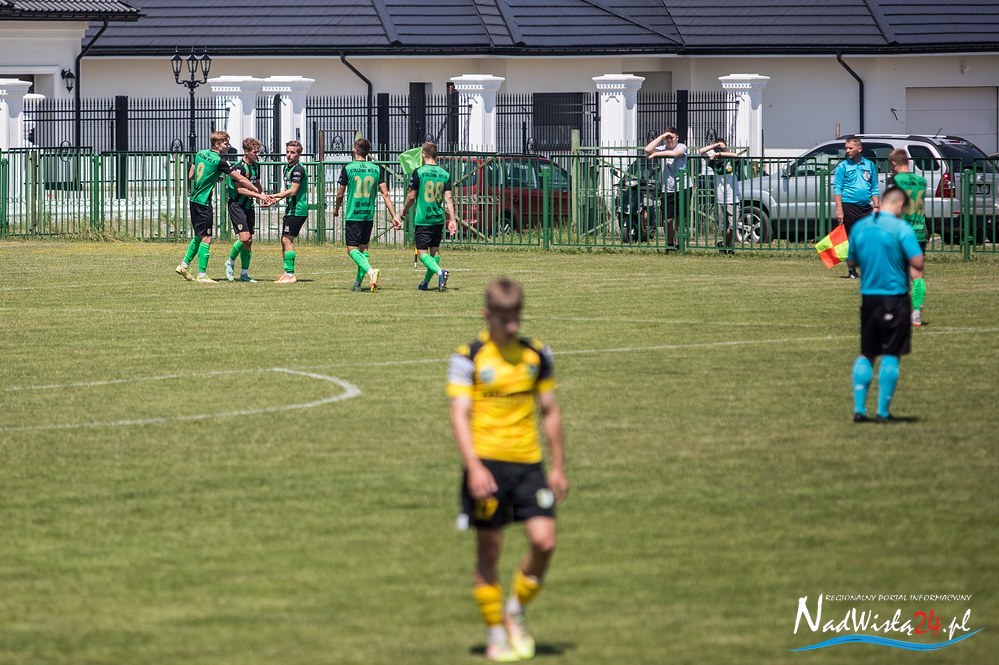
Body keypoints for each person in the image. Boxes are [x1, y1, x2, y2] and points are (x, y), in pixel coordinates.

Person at [448, 278, 568, 662]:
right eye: (504, 319)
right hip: (486, 465)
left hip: (528, 464)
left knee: (545, 542)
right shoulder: (468, 358)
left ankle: (514, 612)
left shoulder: (536, 355)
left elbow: (549, 411)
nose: (512, 326)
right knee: (490, 550)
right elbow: (460, 415)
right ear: (487, 316)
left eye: (516, 317)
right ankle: (494, 634)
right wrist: (473, 467)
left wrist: (558, 466)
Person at [847, 186, 924, 423]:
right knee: (891, 353)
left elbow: (852, 260)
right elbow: (918, 262)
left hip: (869, 298)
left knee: (867, 353)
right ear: (899, 204)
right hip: (894, 297)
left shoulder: (860, 226)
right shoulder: (901, 228)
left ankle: (859, 410)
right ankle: (882, 412)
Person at [176, 130, 257, 284]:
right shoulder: (220, 161)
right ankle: (202, 274)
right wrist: (258, 192)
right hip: (204, 202)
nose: (228, 146)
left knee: (199, 235)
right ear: (218, 144)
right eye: (226, 143)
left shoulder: (200, 153)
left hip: (194, 199)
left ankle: (184, 265)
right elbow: (240, 179)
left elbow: (191, 175)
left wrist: (212, 176)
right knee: (207, 238)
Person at [332, 138, 402, 292]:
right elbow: (385, 194)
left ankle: (371, 272)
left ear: (355, 150)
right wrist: (394, 215)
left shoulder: (348, 168)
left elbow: (340, 194)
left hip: (353, 214)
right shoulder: (376, 169)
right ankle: (358, 283)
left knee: (352, 249)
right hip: (368, 215)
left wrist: (336, 209)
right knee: (364, 249)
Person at [400, 141, 457, 291]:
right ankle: (425, 283)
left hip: (423, 219)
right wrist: (452, 219)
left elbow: (411, 196)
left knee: (422, 253)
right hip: (437, 218)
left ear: (423, 154)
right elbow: (448, 198)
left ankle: (440, 272)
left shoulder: (419, 172)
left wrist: (404, 211)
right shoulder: (445, 174)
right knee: (435, 251)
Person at [885, 148, 928, 326]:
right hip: (919, 232)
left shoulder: (894, 181)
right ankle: (916, 313)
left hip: (901, 231)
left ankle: (894, 311)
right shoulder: (922, 181)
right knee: (917, 274)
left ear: (894, 163)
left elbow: (891, 207)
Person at [224, 137, 273, 283]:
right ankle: (230, 262)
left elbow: (256, 184)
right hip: (237, 205)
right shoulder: (238, 168)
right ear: (246, 151)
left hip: (249, 205)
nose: (256, 154)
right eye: (254, 152)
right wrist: (259, 196)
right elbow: (240, 190)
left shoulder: (256, 166)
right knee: (244, 238)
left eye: (258, 152)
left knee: (249, 241)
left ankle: (244, 274)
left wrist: (261, 198)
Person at [833, 135, 880, 279]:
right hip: (849, 206)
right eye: (846, 148)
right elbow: (838, 188)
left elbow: (874, 187)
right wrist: (839, 209)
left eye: (850, 148)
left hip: (866, 207)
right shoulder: (843, 166)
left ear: (859, 149)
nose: (847, 151)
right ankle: (852, 270)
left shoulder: (870, 165)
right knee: (851, 238)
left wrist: (877, 206)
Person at [270, 140, 309, 284]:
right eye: (287, 151)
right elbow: (287, 190)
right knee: (284, 240)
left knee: (287, 239)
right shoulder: (287, 168)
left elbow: (293, 191)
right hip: (290, 208)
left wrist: (274, 196)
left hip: (298, 209)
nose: (289, 155)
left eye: (292, 152)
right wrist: (276, 199)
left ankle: (291, 274)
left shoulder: (298, 169)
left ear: (299, 154)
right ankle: (287, 272)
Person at [644, 127, 689, 248]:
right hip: (667, 188)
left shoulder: (682, 146)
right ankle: (670, 244)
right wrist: (661, 136)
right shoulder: (663, 148)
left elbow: (675, 154)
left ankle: (679, 244)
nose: (669, 140)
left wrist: (655, 154)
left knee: (680, 217)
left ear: (677, 137)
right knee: (667, 219)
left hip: (683, 186)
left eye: (671, 137)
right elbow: (647, 149)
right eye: (667, 138)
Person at [699, 139, 742, 253]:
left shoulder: (731, 161)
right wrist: (715, 146)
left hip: (733, 198)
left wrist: (720, 153)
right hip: (720, 198)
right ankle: (728, 247)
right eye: (718, 149)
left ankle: (725, 244)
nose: (720, 151)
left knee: (733, 225)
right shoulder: (714, 162)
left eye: (723, 149)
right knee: (723, 226)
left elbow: (737, 155)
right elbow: (701, 151)